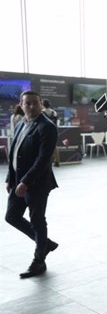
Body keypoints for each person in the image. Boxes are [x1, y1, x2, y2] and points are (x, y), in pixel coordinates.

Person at [5, 90, 59, 278]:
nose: (31, 106)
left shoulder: (47, 127)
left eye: (35, 103)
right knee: (11, 216)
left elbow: (43, 159)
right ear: (21, 104)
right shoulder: (21, 124)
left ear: (41, 104)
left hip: (36, 183)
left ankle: (39, 261)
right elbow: (14, 152)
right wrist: (9, 178)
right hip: (18, 182)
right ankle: (45, 243)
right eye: (27, 103)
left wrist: (26, 181)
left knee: (37, 220)